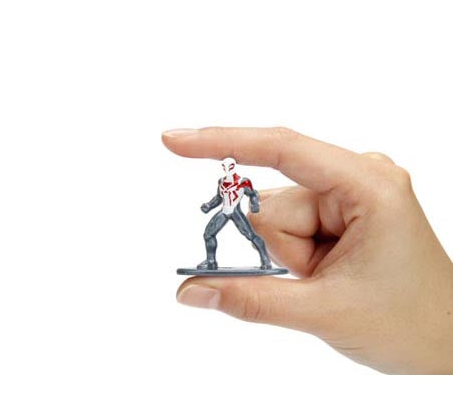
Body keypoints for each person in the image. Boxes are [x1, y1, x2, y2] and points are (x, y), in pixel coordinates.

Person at [162, 127, 453, 374]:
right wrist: (209, 206)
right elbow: (218, 197)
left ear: (234, 168)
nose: (227, 170)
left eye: (229, 167)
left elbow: (250, 194)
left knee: (251, 236)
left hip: (236, 212)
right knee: (208, 233)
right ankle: (210, 261)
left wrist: (254, 204)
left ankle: (263, 259)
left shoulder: (242, 180)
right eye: (224, 167)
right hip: (224, 211)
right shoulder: (222, 181)